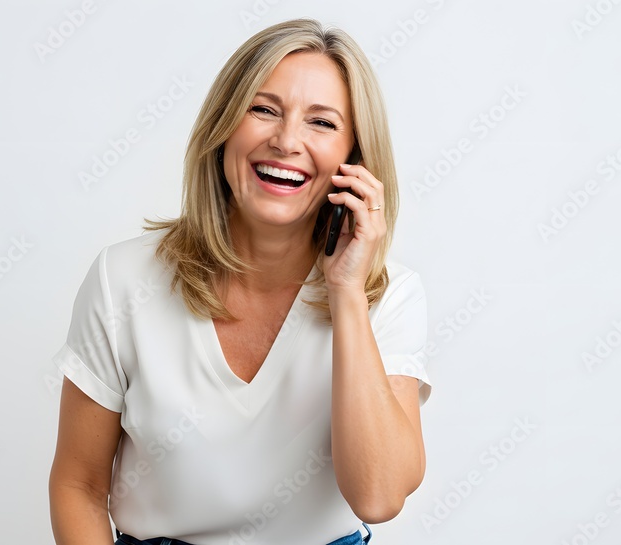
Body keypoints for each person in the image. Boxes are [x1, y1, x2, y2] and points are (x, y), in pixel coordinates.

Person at [49, 17, 432, 545]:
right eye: (263, 109)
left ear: (354, 159)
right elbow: (79, 485)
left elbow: (379, 497)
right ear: (224, 127)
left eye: (321, 122)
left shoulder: (391, 297)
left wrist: (346, 291)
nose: (287, 140)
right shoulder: (124, 279)